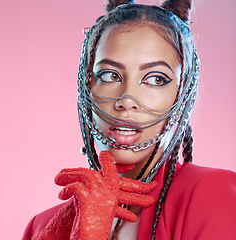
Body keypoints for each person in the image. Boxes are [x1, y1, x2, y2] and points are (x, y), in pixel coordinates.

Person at [22, 0, 236, 239]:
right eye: (110, 75)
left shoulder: (214, 195)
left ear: (181, 94)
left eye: (156, 79)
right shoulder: (42, 226)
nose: (127, 99)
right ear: (87, 86)